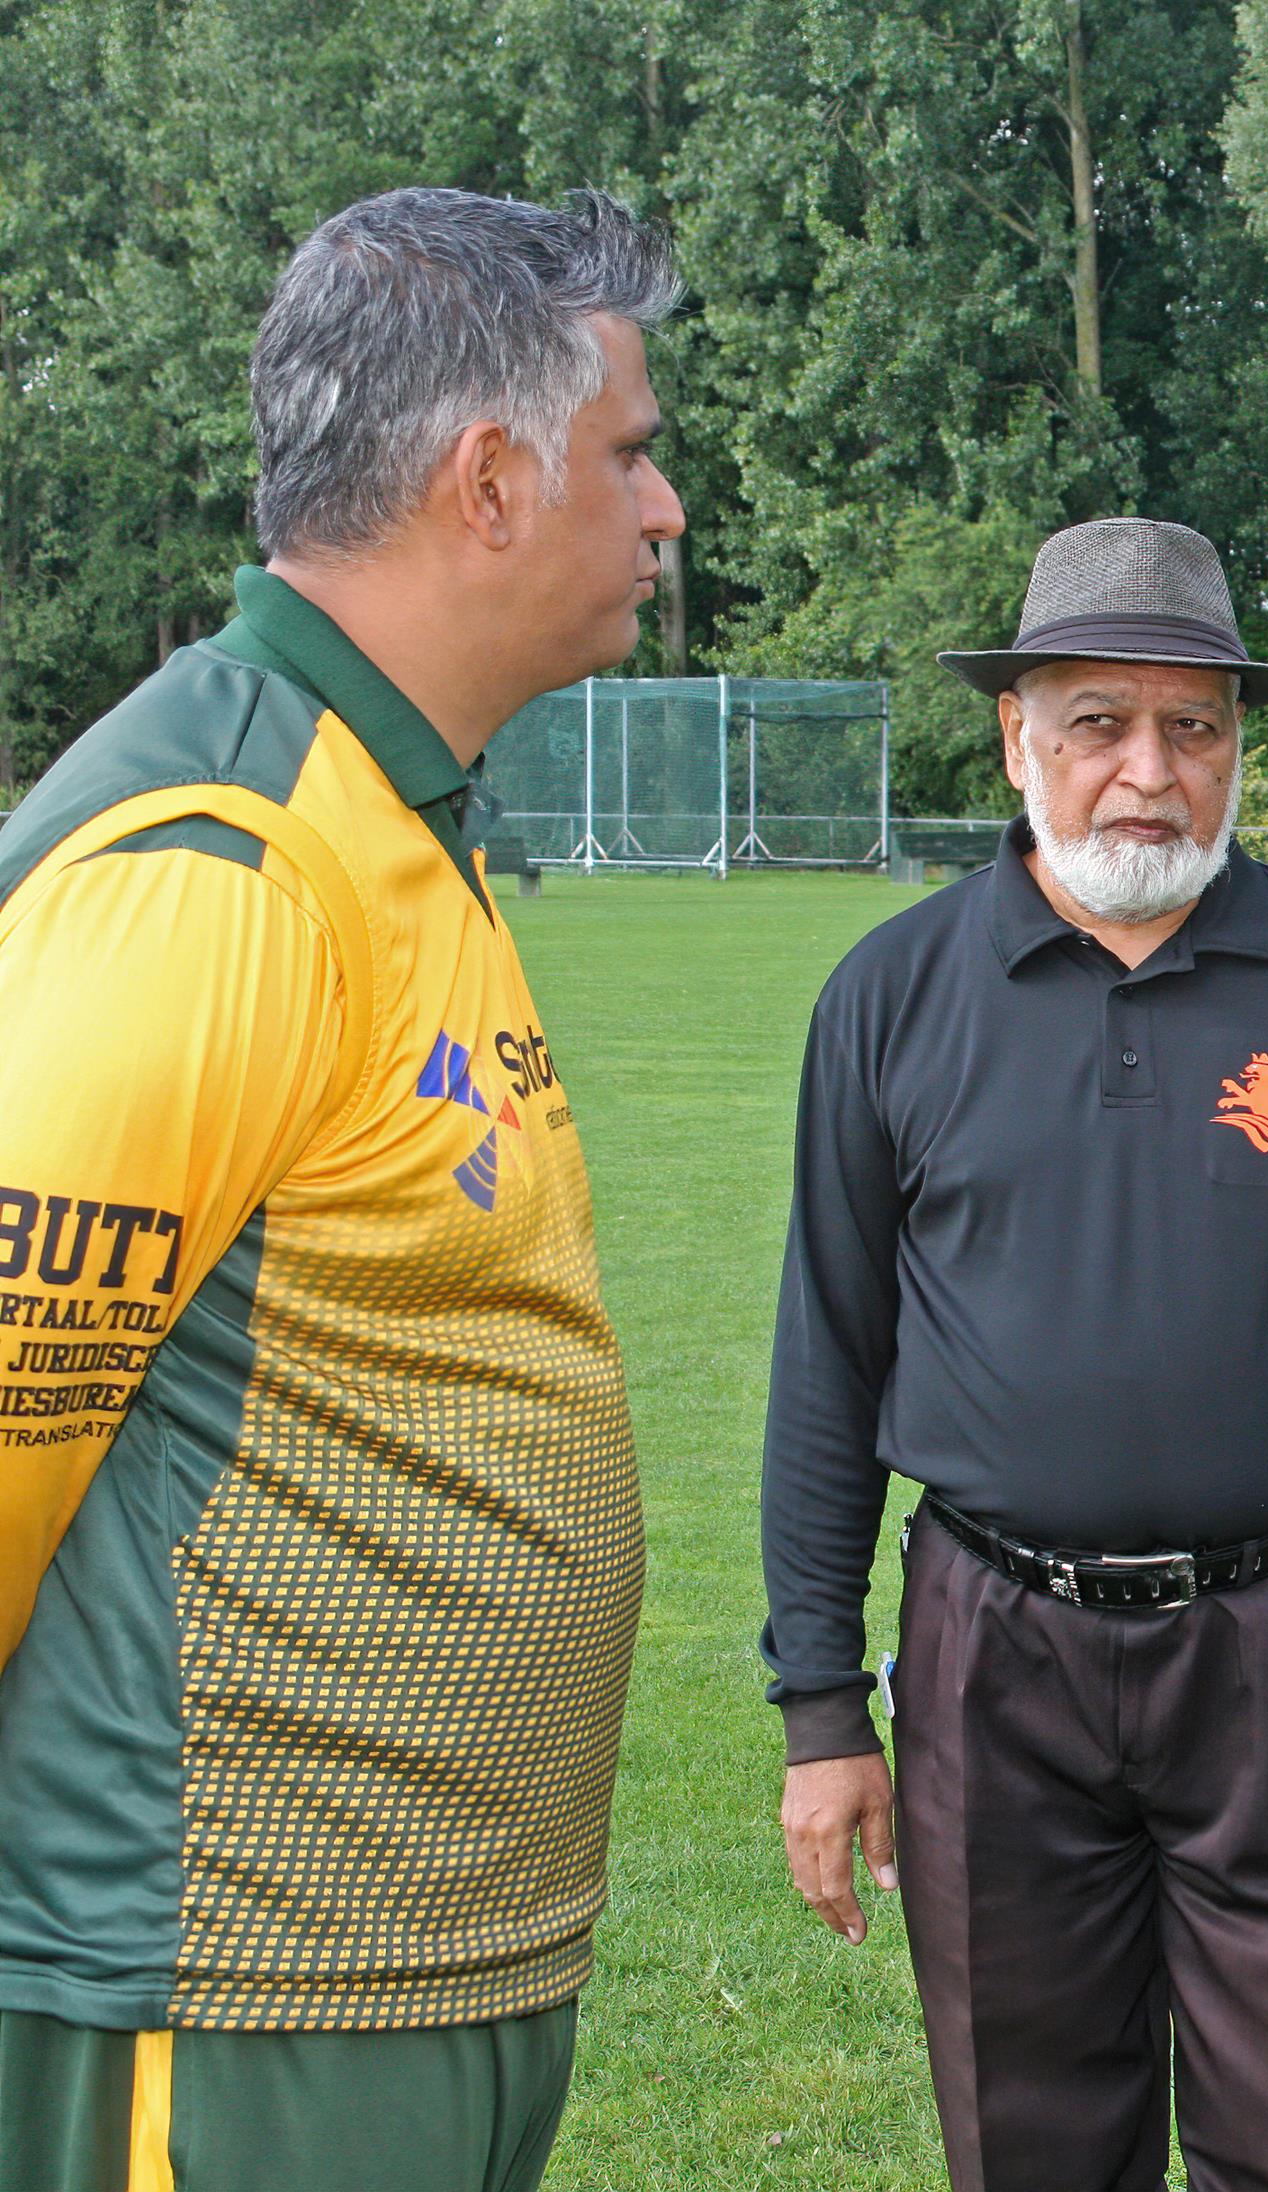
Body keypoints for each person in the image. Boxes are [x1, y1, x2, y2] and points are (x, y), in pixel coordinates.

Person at [0, 189, 683, 2191]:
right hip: (227, 1991)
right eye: (631, 454)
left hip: (407, 1975)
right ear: (492, 482)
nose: (662, 511)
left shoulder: (386, 807)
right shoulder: (217, 862)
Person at [760, 518, 1268, 2192]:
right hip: (992, 1653)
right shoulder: (891, 998)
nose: (1148, 774)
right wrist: (823, 1710)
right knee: (1031, 2139)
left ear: (1239, 745)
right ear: (1015, 736)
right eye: (1098, 723)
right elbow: (827, 1364)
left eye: (1195, 728)